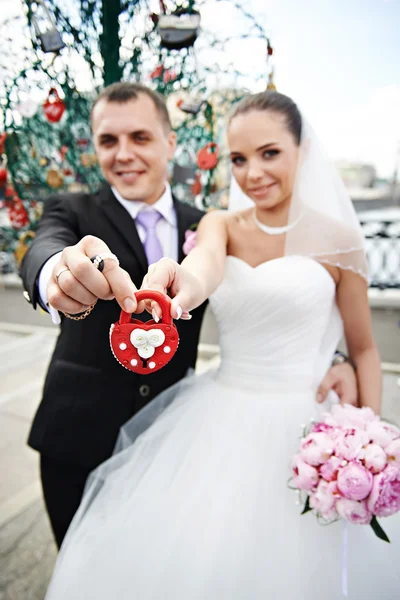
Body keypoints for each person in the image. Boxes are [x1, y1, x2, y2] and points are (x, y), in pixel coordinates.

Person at [43, 91, 400, 599]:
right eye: (238, 159)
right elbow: (203, 266)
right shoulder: (219, 224)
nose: (253, 173)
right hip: (216, 419)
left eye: (269, 153)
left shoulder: (341, 239)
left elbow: (364, 348)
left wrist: (367, 449)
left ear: (303, 151)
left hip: (310, 423)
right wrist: (179, 286)